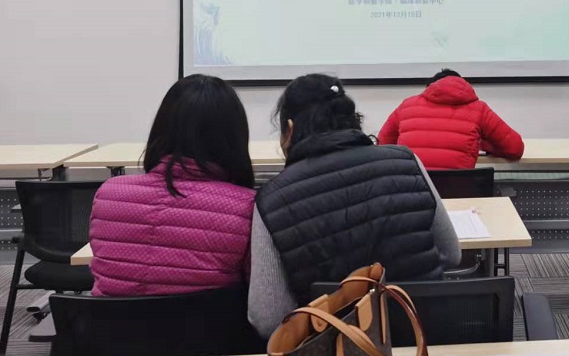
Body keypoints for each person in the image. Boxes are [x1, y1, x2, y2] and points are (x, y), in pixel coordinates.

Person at [249, 74, 461, 337]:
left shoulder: (272, 199)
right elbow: (452, 254)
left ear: (290, 129)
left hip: (332, 344)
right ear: (351, 119)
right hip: (424, 336)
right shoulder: (406, 161)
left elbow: (268, 317)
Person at [88, 74, 256, 296]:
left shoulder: (109, 194)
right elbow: (257, 291)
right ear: (233, 136)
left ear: (161, 128)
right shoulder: (245, 206)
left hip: (110, 319)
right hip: (206, 320)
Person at [377, 69, 524, 169]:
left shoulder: (407, 105)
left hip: (413, 192)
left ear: (430, 87)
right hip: (459, 194)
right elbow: (515, 148)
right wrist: (482, 145)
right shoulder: (479, 109)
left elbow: (382, 145)